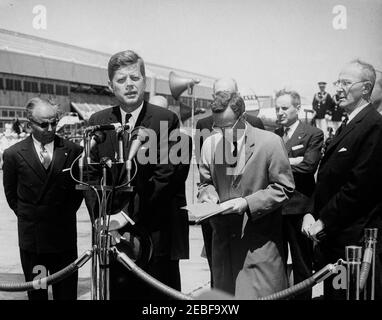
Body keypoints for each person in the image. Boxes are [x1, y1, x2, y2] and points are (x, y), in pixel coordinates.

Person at [84, 50, 189, 299]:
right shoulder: (97, 120)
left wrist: (125, 217)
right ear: (110, 86)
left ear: (144, 80)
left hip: (153, 232)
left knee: (157, 299)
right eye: (121, 80)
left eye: (135, 77)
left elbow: (165, 177)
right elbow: (89, 176)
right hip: (110, 235)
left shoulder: (165, 120)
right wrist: (102, 219)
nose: (129, 85)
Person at [198, 92, 294, 298]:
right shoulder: (212, 146)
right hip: (224, 248)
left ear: (242, 118)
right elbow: (205, 183)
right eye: (217, 127)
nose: (222, 132)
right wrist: (208, 195)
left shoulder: (270, 143)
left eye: (227, 126)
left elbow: (284, 188)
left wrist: (247, 203)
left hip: (258, 248)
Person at [302, 60, 382, 300]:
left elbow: (358, 187)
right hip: (335, 242)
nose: (338, 89)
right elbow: (328, 177)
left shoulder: (374, 126)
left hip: (355, 245)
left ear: (366, 88)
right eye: (339, 82)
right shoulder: (349, 124)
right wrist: (311, 211)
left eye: (346, 83)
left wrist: (323, 221)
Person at [2, 97, 83, 300]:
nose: (50, 128)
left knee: (66, 294)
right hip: (34, 242)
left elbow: (78, 192)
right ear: (30, 125)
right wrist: (31, 216)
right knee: (37, 294)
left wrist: (60, 215)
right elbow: (12, 195)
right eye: (44, 124)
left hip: (63, 240)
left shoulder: (73, 151)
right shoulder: (13, 154)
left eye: (54, 122)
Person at [194, 77, 264, 288]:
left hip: (249, 221)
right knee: (220, 277)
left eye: (227, 93)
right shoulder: (205, 127)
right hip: (218, 218)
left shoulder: (257, 128)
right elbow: (204, 174)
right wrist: (206, 193)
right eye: (217, 94)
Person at [274, 89, 324, 300]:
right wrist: (293, 160)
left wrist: (278, 164)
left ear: (298, 108)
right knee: (275, 264)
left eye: (284, 108)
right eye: (277, 108)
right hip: (274, 208)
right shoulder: (274, 136)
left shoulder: (313, 133)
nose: (280, 112)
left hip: (299, 210)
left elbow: (309, 166)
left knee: (302, 264)